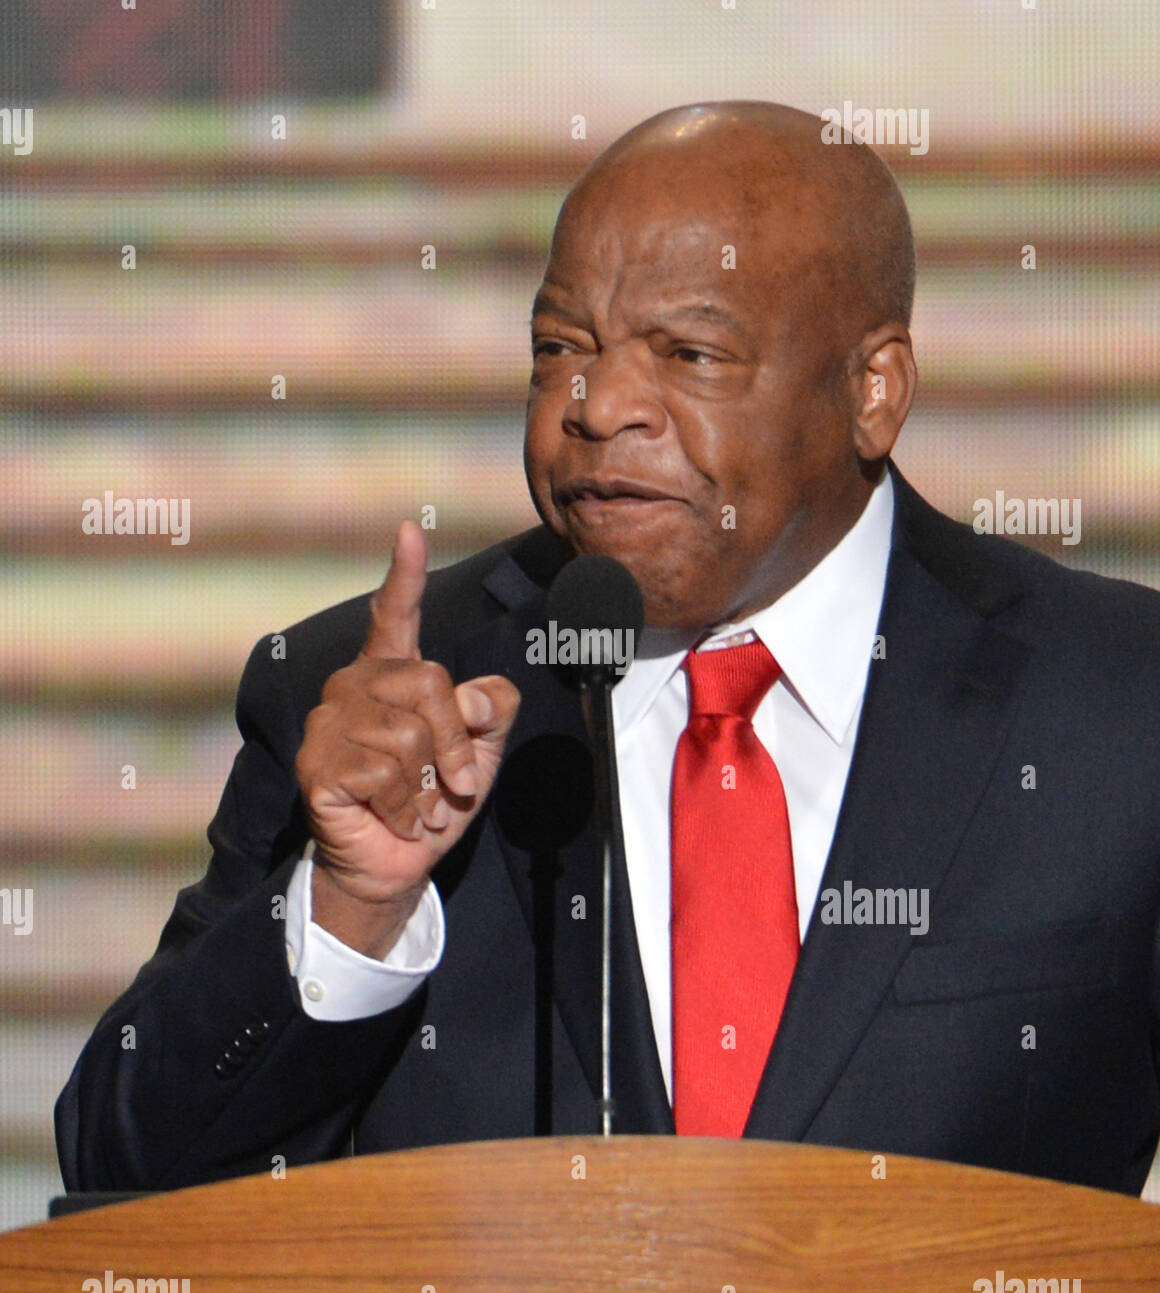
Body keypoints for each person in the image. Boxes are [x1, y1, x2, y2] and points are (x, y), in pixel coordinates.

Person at [57, 102, 1160, 1197]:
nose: (597, 406)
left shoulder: (1114, 705)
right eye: (559, 348)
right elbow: (128, 1171)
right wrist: (349, 906)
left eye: (688, 352)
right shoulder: (373, 697)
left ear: (871, 393)